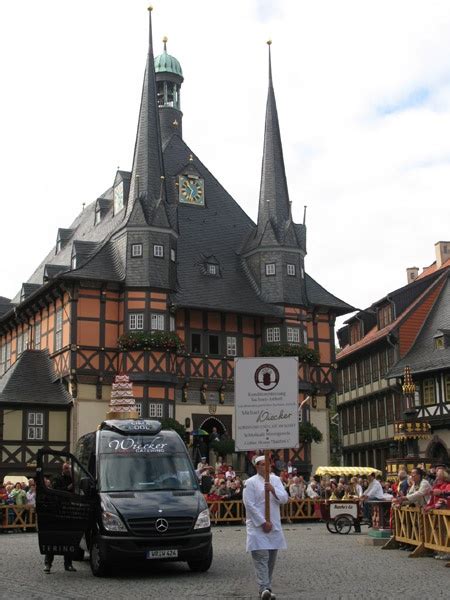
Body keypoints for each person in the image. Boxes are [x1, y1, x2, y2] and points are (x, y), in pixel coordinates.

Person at [243, 455, 288, 600]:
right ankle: (264, 588)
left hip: (273, 525)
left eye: (267, 464)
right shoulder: (250, 483)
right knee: (261, 557)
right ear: (257, 467)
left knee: (271, 559)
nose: (265, 467)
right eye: (262, 464)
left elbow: (284, 498)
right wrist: (263, 522)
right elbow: (249, 505)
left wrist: (273, 490)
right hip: (257, 527)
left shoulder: (275, 480)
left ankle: (266, 587)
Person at [44, 462, 76, 573]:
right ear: (63, 469)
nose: (67, 470)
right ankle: (48, 564)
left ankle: (68, 564)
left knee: (69, 539)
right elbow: (57, 491)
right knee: (52, 538)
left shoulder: (73, 479)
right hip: (57, 510)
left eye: (69, 468)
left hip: (68, 511)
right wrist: (68, 487)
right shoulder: (57, 478)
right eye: (66, 468)